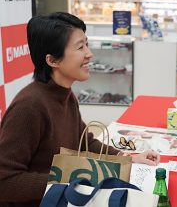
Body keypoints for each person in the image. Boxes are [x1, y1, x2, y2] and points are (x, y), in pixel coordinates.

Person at [0, 12, 160, 207]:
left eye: (86, 44)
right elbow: (5, 181)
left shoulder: (65, 94)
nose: (89, 53)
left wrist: (126, 158)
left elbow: (85, 141)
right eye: (80, 47)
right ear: (52, 61)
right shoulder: (29, 106)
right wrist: (67, 182)